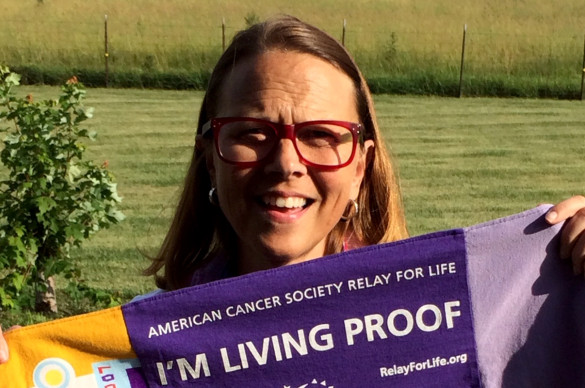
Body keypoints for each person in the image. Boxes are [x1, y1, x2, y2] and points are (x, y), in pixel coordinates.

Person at [1, 15, 585, 364]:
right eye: (251, 134)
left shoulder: (449, 324)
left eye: (322, 136)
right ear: (209, 156)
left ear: (361, 165)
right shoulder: (137, 353)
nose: (286, 163)